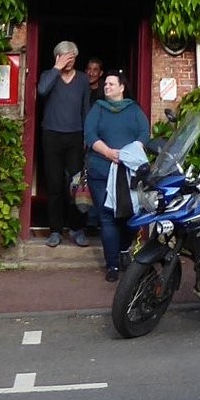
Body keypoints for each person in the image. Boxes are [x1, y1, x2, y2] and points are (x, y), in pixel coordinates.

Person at [83, 71, 150, 281]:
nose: (107, 87)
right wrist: (108, 153)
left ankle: (123, 251)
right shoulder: (98, 109)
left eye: (112, 84)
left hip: (128, 170)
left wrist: (129, 153)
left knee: (132, 214)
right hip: (101, 168)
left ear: (122, 87)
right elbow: (90, 134)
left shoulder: (134, 109)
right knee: (107, 216)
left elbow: (144, 133)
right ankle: (112, 265)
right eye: (106, 85)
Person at [36, 40, 90, 247]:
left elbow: (86, 108)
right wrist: (56, 69)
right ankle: (55, 230)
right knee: (54, 184)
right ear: (57, 57)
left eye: (72, 57)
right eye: (65, 56)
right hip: (51, 135)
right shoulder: (48, 76)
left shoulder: (83, 79)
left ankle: (77, 229)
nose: (69, 61)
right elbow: (41, 91)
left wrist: (87, 136)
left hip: (75, 136)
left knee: (77, 185)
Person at [81, 57, 106, 236]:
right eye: (89, 69)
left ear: (101, 73)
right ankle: (78, 219)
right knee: (78, 180)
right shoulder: (80, 88)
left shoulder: (104, 93)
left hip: (98, 142)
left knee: (95, 180)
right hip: (78, 137)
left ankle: (93, 219)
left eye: (95, 69)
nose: (91, 72)